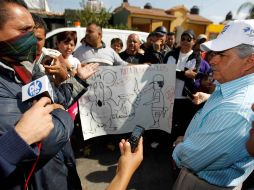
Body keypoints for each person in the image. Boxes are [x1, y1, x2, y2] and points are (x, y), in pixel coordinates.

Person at [172, 19, 254, 190]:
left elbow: (192, 158)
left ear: (249, 61)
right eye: (213, 53)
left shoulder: (236, 109)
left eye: (222, 55)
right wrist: (209, 97)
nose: (212, 61)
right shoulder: (233, 86)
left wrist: (180, 145)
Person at [164, 29, 202, 142]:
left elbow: (193, 74)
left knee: (181, 124)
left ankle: (176, 145)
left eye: (188, 39)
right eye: (183, 39)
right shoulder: (170, 54)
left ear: (194, 42)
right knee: (167, 122)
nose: (185, 41)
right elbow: (165, 71)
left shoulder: (196, 57)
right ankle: (165, 144)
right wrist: (184, 73)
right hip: (168, 95)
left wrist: (175, 72)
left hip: (185, 97)